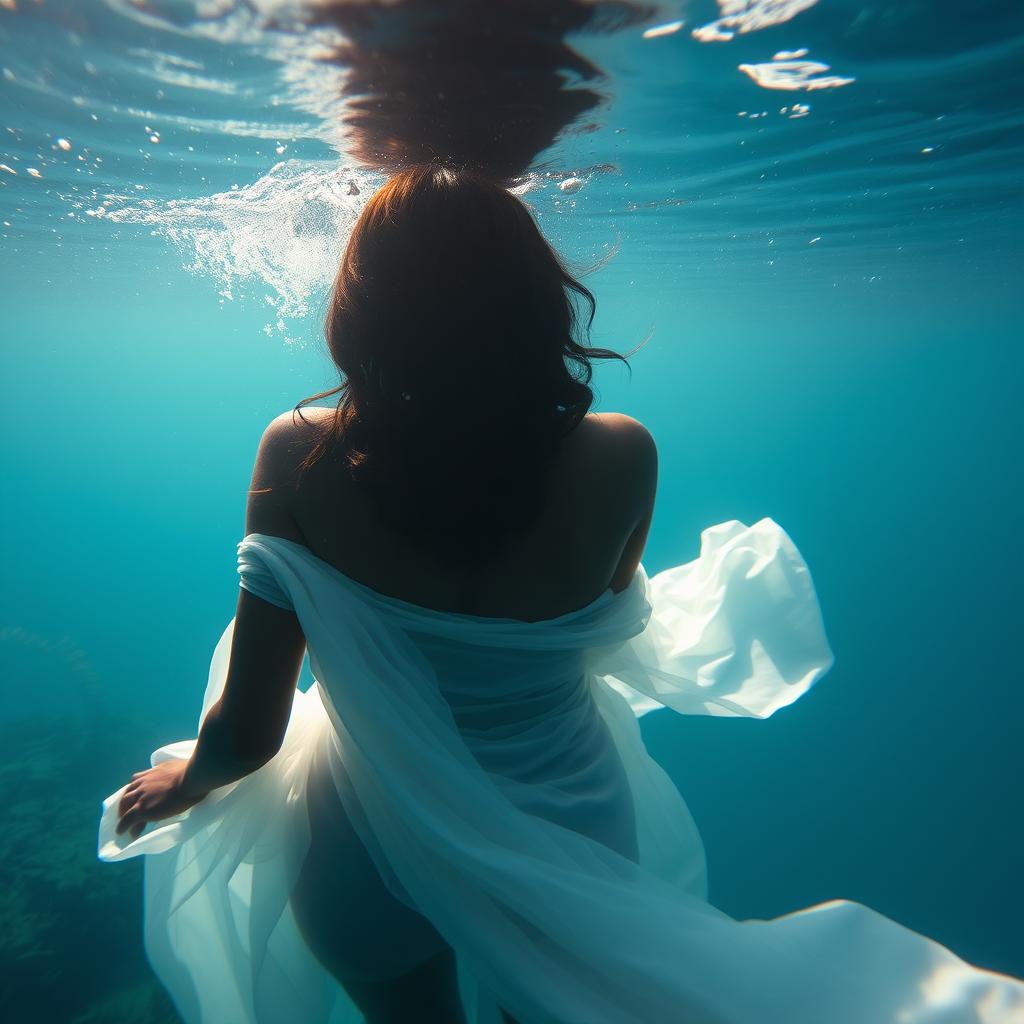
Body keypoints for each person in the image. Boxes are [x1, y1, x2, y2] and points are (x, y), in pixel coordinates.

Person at [98, 165, 1024, 1024]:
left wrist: (191, 779)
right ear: (536, 296)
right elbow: (607, 614)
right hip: (567, 836)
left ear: (363, 309)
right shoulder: (623, 454)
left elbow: (251, 732)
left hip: (366, 843)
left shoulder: (297, 454)